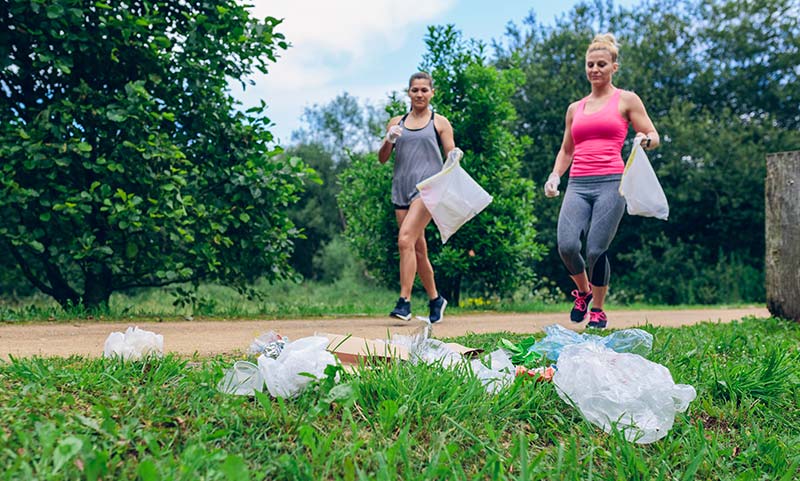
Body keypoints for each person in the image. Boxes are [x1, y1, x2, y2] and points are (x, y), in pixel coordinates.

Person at [544, 33, 660, 329]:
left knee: (596, 250)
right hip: (578, 184)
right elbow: (567, 149)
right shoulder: (575, 108)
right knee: (567, 245)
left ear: (613, 68)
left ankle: (598, 308)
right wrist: (555, 175)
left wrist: (646, 140)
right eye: (590, 64)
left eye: (601, 64)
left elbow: (653, 135)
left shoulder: (627, 100)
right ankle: (582, 292)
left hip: (612, 183)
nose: (595, 69)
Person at [378, 72, 459, 323]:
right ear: (409, 93)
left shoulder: (440, 122)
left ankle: (404, 302)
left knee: (404, 240)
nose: (420, 94)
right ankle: (436, 299)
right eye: (415, 90)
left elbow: (451, 154)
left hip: (427, 190)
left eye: (425, 90)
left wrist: (455, 156)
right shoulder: (397, 122)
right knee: (417, 248)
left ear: (432, 93)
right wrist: (389, 139)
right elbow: (382, 159)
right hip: (401, 189)